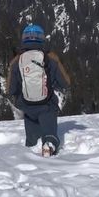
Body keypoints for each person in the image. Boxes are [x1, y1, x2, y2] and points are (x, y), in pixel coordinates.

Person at [7, 24, 71, 156]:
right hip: (47, 105)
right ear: (42, 39)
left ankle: (31, 149)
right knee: (49, 132)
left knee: (32, 138)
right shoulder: (50, 59)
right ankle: (49, 144)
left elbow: (11, 89)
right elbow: (65, 83)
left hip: (27, 105)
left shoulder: (17, 61)